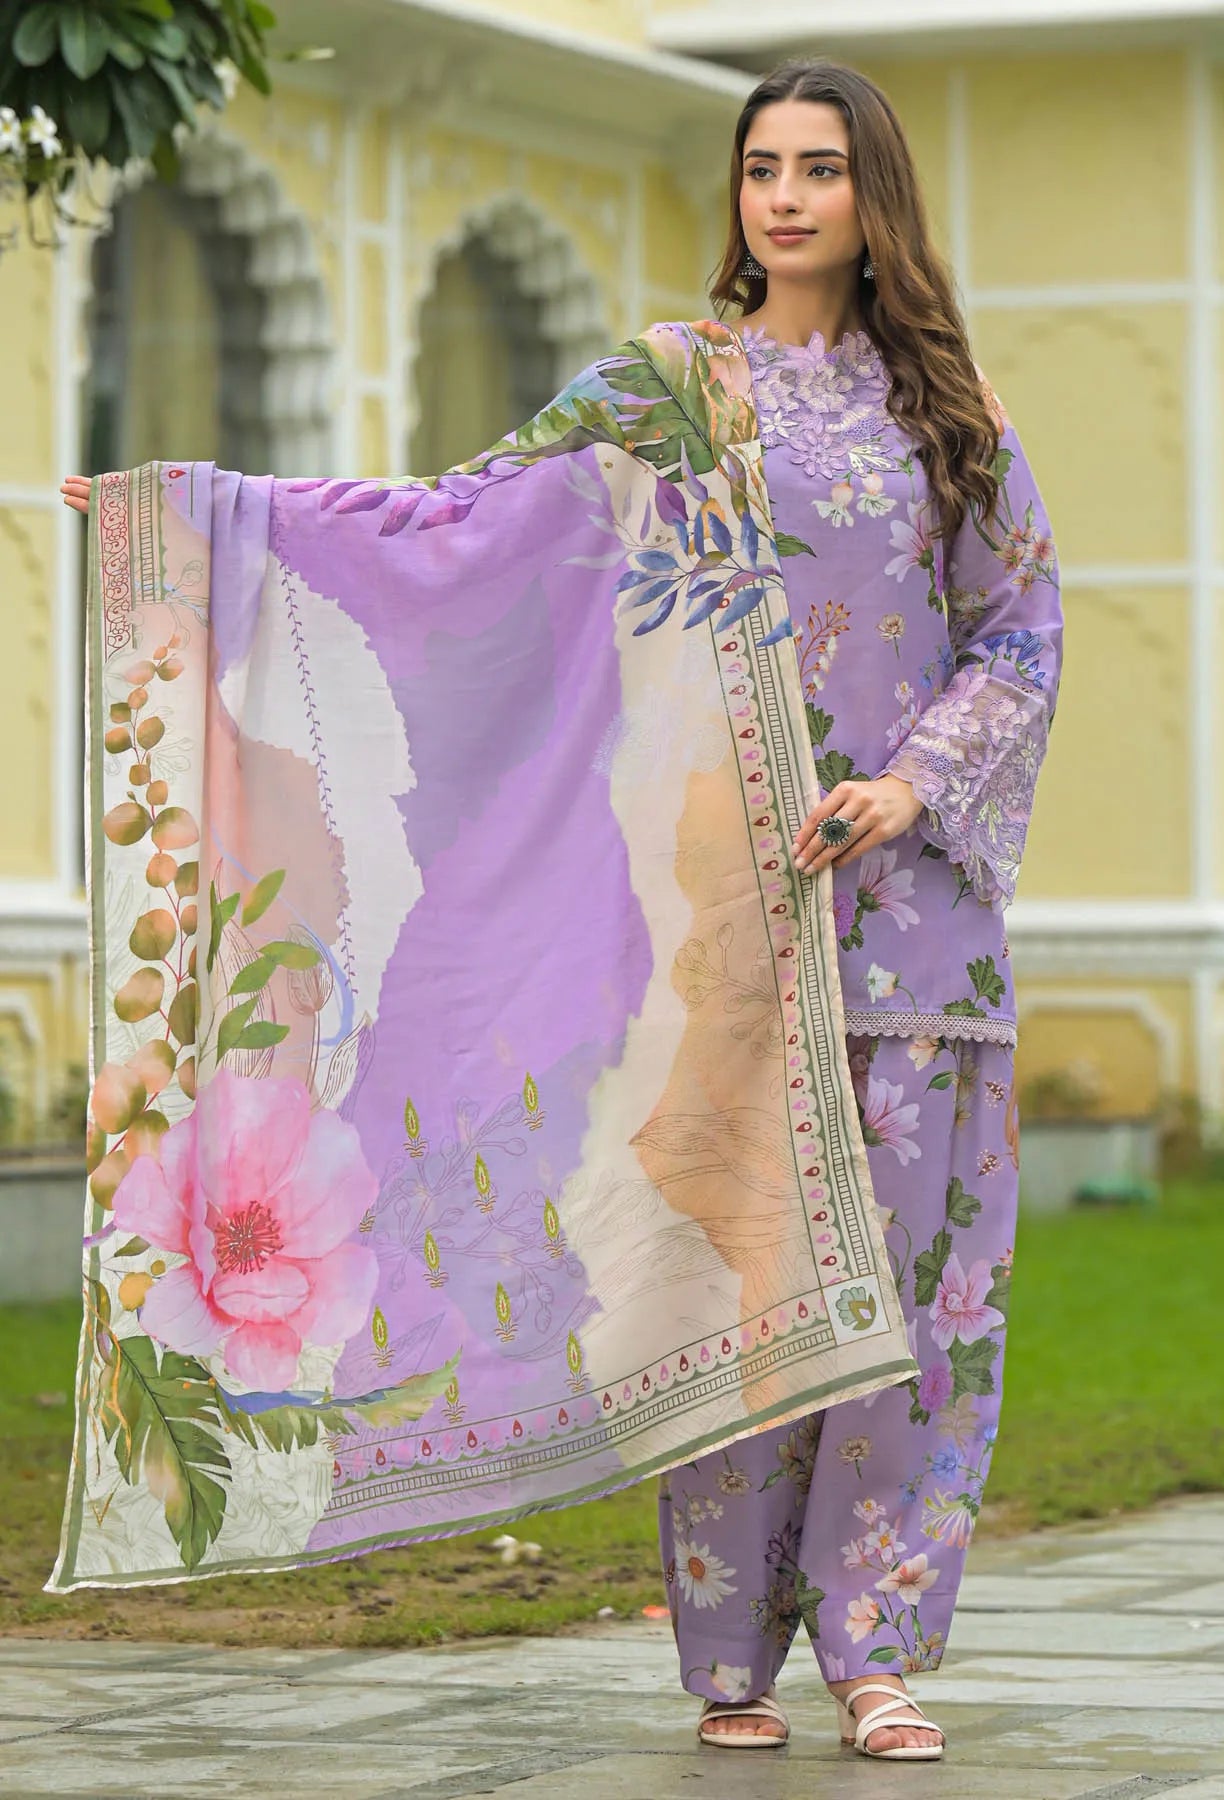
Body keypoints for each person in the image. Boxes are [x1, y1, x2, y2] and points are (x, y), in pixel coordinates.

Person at [62, 54, 1061, 1765]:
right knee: (726, 1288)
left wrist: (909, 786)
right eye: (763, 166)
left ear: (874, 195)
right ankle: (732, 1661)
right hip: (720, 929)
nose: (786, 197)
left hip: (911, 937)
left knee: (912, 1309)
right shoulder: (671, 389)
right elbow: (460, 519)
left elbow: (1020, 637)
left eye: (821, 168)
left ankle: (879, 1651)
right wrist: (207, 515)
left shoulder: (952, 421)